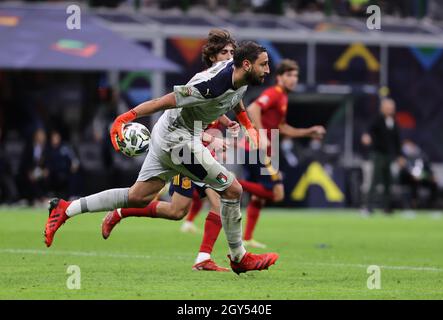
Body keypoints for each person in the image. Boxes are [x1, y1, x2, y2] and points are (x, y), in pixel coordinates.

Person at [44, 40, 278, 275]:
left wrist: (248, 125)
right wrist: (124, 118)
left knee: (138, 196)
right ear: (247, 65)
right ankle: (238, 257)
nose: (268, 70)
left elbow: (234, 96)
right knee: (232, 190)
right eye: (264, 65)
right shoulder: (209, 86)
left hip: (170, 134)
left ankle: (65, 208)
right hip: (178, 141)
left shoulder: (240, 73)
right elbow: (162, 101)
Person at [102, 29, 240, 272]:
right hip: (183, 151)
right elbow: (179, 118)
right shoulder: (201, 81)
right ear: (212, 57)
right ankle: (204, 258)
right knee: (219, 199)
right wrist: (211, 137)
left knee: (177, 211)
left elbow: (219, 109)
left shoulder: (228, 82)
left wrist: (229, 123)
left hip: (199, 150)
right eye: (224, 52)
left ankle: (123, 211)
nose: (229, 56)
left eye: (232, 52)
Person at [237, 59, 326, 248]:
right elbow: (253, 108)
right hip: (256, 149)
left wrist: (308, 132)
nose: (293, 79)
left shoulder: (283, 98)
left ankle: (247, 238)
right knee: (274, 192)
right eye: (289, 75)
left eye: (295, 76)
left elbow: (282, 128)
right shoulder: (274, 93)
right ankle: (231, 183)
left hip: (261, 149)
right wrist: (260, 134)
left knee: (261, 196)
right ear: (279, 77)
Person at [361, 98, 405, 214]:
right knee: (374, 180)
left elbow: (397, 141)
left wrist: (400, 156)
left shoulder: (394, 122)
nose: (391, 110)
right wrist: (366, 136)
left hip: (388, 155)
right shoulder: (377, 119)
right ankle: (368, 207)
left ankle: (387, 207)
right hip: (377, 154)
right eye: (388, 107)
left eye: (392, 108)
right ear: (383, 108)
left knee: (388, 182)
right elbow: (368, 130)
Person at [398, 139, 438, 209]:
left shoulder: (421, 155)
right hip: (408, 179)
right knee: (414, 183)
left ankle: (432, 204)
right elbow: (404, 170)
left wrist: (430, 176)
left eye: (410, 145)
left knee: (434, 183)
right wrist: (412, 174)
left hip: (422, 177)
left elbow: (427, 168)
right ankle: (414, 204)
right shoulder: (403, 156)